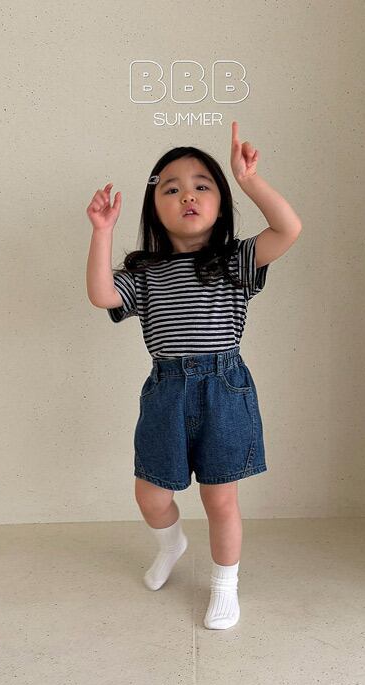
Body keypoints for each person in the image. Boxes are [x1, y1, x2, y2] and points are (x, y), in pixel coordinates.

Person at [86, 121, 301, 630]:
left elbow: (288, 229)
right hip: (166, 391)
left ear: (221, 204)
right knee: (151, 494)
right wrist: (102, 232)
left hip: (223, 389)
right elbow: (101, 294)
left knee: (219, 498)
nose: (188, 195)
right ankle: (171, 544)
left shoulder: (235, 261)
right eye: (171, 188)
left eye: (202, 186)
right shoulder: (145, 272)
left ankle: (225, 586)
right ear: (154, 208)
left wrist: (249, 181)